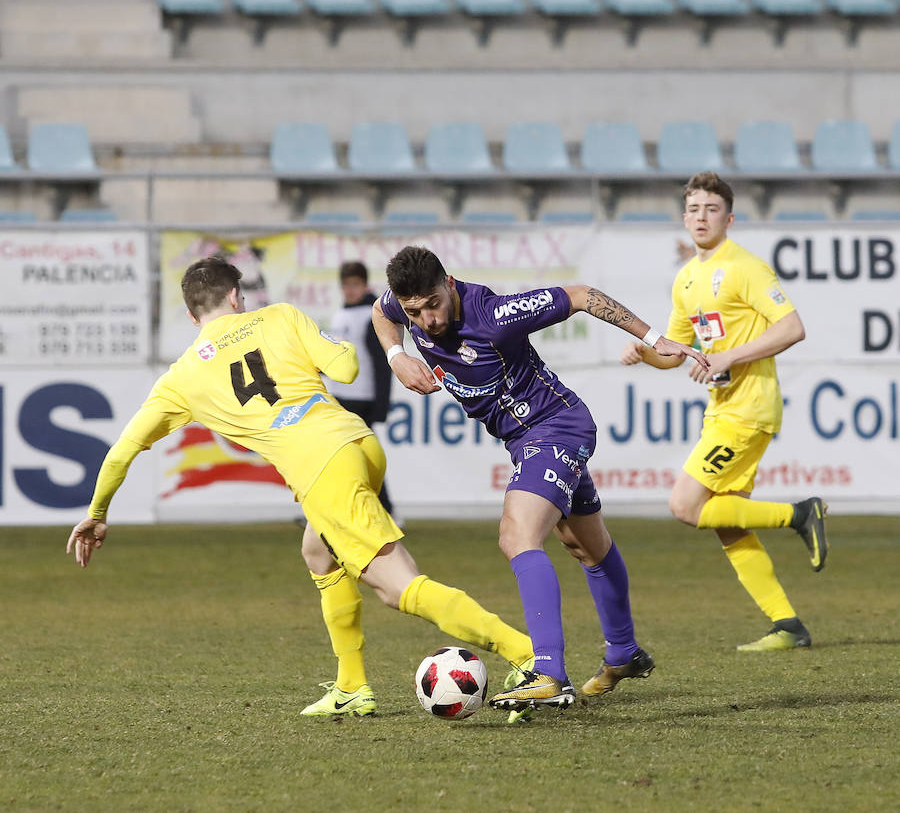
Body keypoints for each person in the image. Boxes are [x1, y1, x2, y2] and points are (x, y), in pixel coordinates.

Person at [67, 256, 534, 718]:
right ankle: (352, 686)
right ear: (236, 296)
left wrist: (97, 512)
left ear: (192, 315)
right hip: (357, 443)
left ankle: (527, 655)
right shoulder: (281, 315)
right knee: (318, 551)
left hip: (322, 469)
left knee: (398, 588)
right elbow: (347, 368)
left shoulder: (179, 379)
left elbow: (121, 451)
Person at [373, 245, 709, 717]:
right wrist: (395, 356)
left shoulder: (493, 315)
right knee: (587, 546)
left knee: (517, 534)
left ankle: (549, 672)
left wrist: (655, 337)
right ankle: (624, 653)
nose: (426, 320)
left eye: (433, 304)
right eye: (415, 312)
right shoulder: (402, 307)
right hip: (525, 439)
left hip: (556, 428)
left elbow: (581, 295)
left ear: (449, 284)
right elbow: (380, 311)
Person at [620, 171, 828, 652]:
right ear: (684, 217)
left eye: (711, 209)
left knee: (684, 505)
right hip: (721, 409)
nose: (701, 217)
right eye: (693, 209)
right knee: (726, 523)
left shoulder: (744, 267)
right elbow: (677, 352)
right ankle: (788, 625)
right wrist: (646, 354)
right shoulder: (687, 278)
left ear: (728, 218)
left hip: (750, 407)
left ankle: (800, 513)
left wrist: (729, 357)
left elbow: (793, 327)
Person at [325, 261, 394, 516]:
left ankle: (385, 510)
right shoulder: (341, 314)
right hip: (340, 395)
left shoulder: (371, 315)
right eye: (346, 284)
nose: (350, 290)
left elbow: (382, 362)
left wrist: (381, 405)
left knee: (362, 457)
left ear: (365, 285)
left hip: (362, 397)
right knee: (349, 455)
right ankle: (346, 509)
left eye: (355, 284)